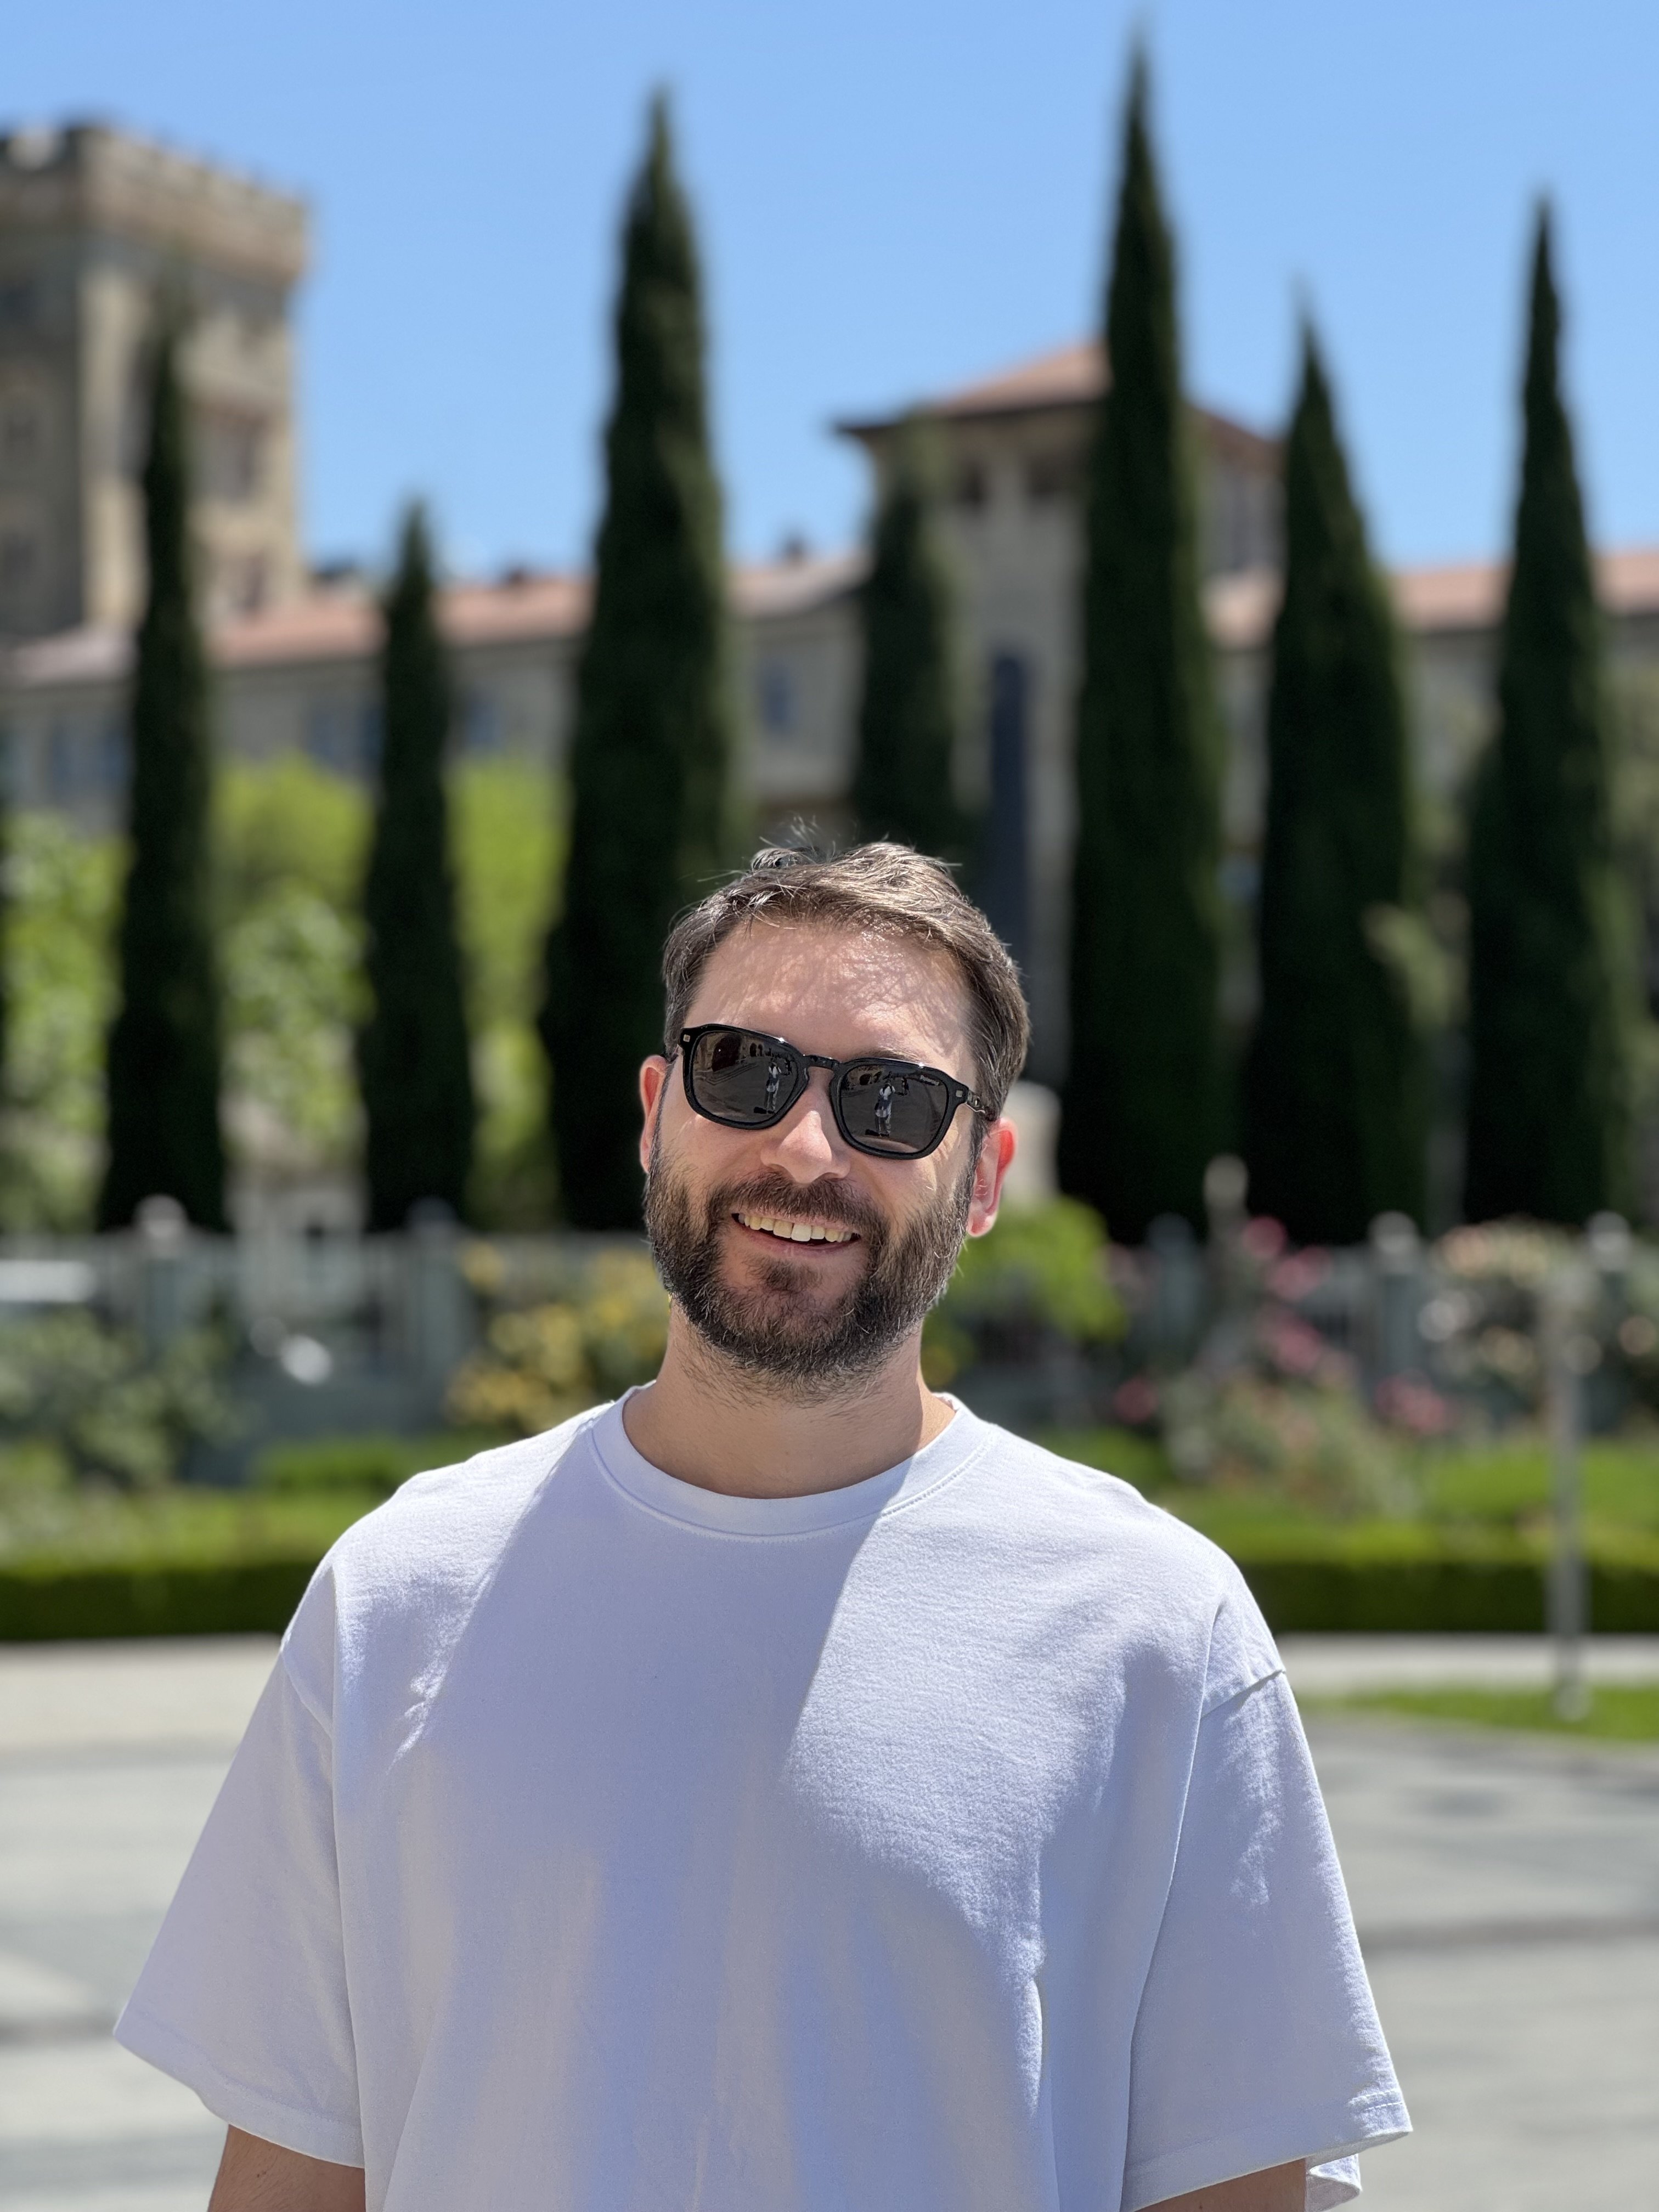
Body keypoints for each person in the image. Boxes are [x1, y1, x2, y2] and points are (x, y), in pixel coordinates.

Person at [117, 844, 1408, 2212]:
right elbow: (293, 2171)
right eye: (744, 1070)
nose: (803, 1149)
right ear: (655, 1113)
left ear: (984, 1177)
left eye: (891, 1101)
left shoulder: (1159, 1628)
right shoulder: (399, 1595)